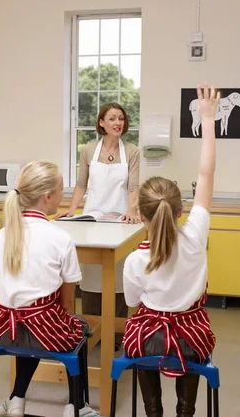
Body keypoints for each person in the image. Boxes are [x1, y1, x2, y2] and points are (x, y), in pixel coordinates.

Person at [121, 84, 219, 417]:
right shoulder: (195, 234)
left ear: (141, 217)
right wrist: (208, 120)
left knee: (135, 334)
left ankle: (152, 410)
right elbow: (207, 174)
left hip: (149, 339)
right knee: (191, 344)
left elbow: (133, 303)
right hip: (193, 338)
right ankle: (185, 409)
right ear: (180, 211)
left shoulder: (135, 259)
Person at [0, 161, 99, 417]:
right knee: (77, 327)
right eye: (62, 190)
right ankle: (77, 405)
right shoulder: (60, 238)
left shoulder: (1, 236)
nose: (65, 195)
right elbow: (68, 304)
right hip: (44, 330)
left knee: (29, 325)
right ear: (48, 197)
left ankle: (16, 399)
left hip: (5, 330)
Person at [55, 103, 140, 329]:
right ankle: (90, 328)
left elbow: (134, 186)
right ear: (101, 122)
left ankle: (116, 331)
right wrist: (73, 209)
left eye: (121, 118)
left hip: (120, 220)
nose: (117, 123)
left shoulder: (132, 151)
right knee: (92, 272)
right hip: (93, 220)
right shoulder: (88, 150)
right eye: (112, 118)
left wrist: (131, 209)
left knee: (118, 274)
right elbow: (81, 184)